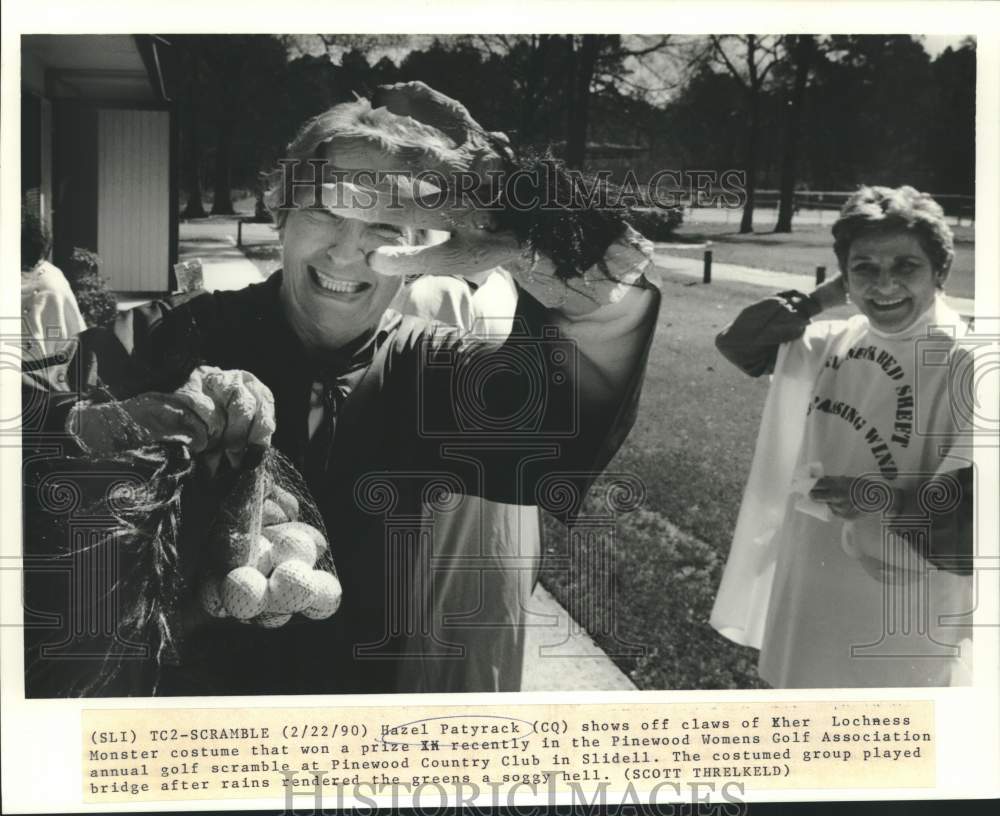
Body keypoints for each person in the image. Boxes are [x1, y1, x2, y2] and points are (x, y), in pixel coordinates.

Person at [23, 82, 660, 696]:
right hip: (182, 702)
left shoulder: (424, 368)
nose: (348, 254)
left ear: (424, 250)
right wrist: (109, 423)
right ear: (280, 214)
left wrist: (545, 224)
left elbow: (557, 426)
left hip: (352, 712)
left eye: (387, 227)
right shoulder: (178, 335)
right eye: (327, 211)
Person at [710, 185, 973, 688]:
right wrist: (825, 297)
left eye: (906, 267)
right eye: (865, 268)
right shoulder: (835, 339)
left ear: (941, 272)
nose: (885, 286)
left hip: (904, 599)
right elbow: (738, 343)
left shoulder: (967, 360)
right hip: (813, 572)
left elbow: (978, 516)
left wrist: (881, 497)